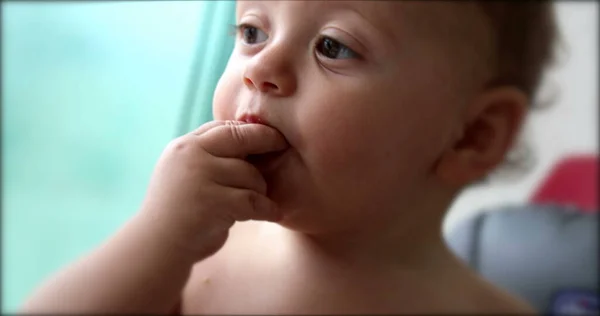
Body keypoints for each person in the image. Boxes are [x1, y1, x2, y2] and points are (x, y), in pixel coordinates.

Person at [21, 1, 558, 314]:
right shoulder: (197, 253)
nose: (260, 67)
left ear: (473, 136)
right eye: (252, 31)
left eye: (333, 46)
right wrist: (157, 236)